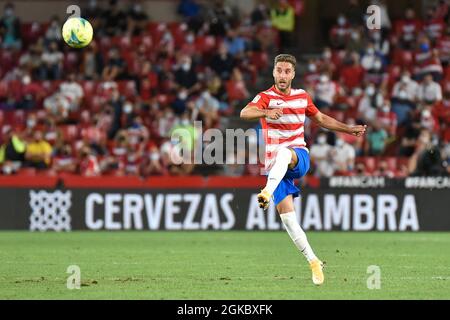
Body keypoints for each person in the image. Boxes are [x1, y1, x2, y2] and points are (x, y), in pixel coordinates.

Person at [240, 54, 367, 285]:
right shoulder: (265, 98)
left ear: (293, 74)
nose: (282, 75)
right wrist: (266, 112)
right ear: (274, 72)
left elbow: (320, 118)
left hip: (298, 157)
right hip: (275, 168)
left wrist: (348, 129)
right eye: (279, 70)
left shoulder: (302, 97)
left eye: (287, 71)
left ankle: (266, 192)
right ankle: (314, 262)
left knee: (283, 152)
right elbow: (244, 113)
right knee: (288, 219)